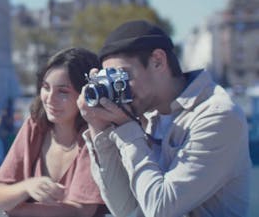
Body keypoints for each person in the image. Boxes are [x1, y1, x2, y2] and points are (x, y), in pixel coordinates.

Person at [77, 20, 251, 217]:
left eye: (123, 76)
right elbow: (126, 210)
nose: (121, 89)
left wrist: (127, 130)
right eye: (112, 81)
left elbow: (160, 210)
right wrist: (99, 129)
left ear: (158, 61)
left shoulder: (218, 115)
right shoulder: (145, 115)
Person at [0, 48, 107, 217]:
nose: (50, 99)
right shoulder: (35, 125)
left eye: (63, 91)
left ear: (86, 94)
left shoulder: (95, 133)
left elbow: (80, 212)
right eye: (46, 87)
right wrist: (27, 186)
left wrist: (17, 208)